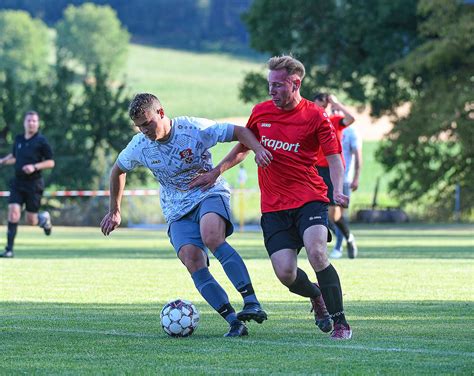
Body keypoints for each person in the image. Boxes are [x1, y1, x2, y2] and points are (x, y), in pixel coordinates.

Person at [190, 56, 353, 339]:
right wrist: (216, 171)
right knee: (286, 274)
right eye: (270, 85)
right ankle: (317, 297)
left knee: (317, 252)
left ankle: (340, 322)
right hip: (274, 208)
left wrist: (338, 188)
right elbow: (243, 147)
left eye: (277, 85)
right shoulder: (262, 112)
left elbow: (334, 158)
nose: (271, 91)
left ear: (295, 84)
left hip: (309, 198)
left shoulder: (315, 116)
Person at [100, 93, 272, 337]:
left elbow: (242, 133)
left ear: (161, 112)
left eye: (147, 123)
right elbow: (118, 170)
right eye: (139, 126)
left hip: (208, 193)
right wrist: (115, 210)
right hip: (176, 208)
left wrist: (237, 161)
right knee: (192, 259)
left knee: (212, 236)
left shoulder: (194, 128)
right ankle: (234, 322)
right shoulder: (139, 145)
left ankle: (251, 301)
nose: (144, 130)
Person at [0, 111, 54, 258]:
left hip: (34, 184)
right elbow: (15, 157)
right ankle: (9, 250)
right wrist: (3, 161)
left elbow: (50, 162)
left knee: (31, 220)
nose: (31, 123)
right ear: (24, 122)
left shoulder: (41, 141)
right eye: (29, 120)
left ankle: (43, 219)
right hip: (18, 182)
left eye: (34, 121)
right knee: (13, 213)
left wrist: (34, 167)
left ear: (38, 124)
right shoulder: (18, 139)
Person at [313, 93, 358, 259]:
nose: (322, 109)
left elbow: (351, 118)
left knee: (334, 214)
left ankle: (349, 238)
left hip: (332, 170)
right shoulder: (310, 121)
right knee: (316, 209)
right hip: (315, 169)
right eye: (319, 105)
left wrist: (337, 104)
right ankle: (324, 242)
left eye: (325, 106)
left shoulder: (334, 121)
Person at [331, 126, 362, 259]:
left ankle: (338, 247)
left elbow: (358, 155)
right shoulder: (325, 126)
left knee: (336, 216)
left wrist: (356, 177)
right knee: (329, 217)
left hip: (344, 179)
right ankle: (348, 236)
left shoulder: (350, 131)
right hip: (327, 176)